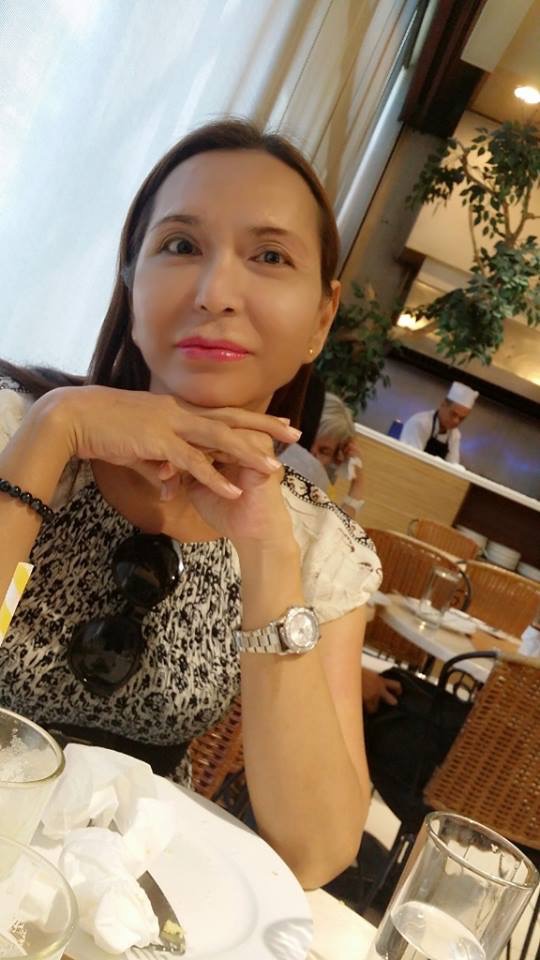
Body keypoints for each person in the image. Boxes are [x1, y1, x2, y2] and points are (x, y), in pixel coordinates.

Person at [0, 119, 382, 890]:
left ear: (321, 318)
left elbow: (314, 850)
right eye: (180, 245)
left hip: (108, 904)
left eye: (269, 257)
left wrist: (269, 547)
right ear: (131, 282)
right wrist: (55, 430)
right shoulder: (14, 428)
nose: (215, 294)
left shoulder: (321, 549)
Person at [400, 381, 479, 463]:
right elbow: (410, 459)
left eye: (461, 418)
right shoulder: (420, 423)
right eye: (453, 414)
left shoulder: (455, 435)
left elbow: (452, 465)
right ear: (443, 404)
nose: (456, 421)